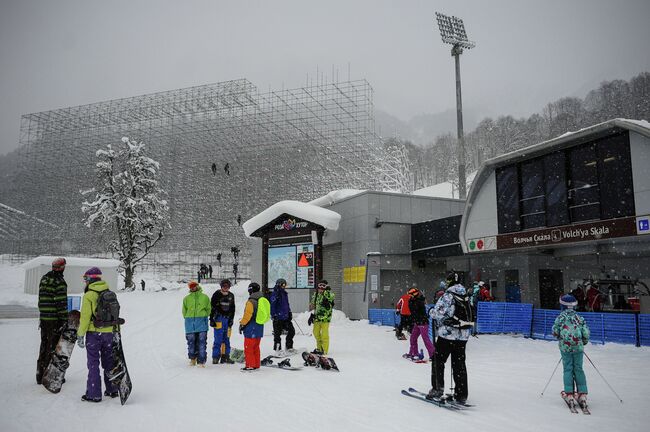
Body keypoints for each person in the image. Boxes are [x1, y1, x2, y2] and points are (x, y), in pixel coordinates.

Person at [427, 271, 474, 404]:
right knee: (459, 364)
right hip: (463, 335)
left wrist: (430, 311)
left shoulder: (447, 296)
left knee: (438, 360)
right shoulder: (465, 295)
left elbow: (438, 313)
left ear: (449, 282)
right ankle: (461, 394)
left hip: (447, 334)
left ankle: (437, 388)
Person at [76, 267, 118, 402]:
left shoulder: (89, 295)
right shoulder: (110, 293)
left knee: (93, 363)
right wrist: (116, 332)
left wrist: (80, 334)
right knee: (109, 362)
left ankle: (94, 394)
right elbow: (115, 315)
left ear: (90, 279)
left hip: (94, 333)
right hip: (109, 333)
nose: (85, 282)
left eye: (85, 279)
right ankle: (112, 389)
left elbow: (85, 317)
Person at [552, 294, 590, 408]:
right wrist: (583, 342)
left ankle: (569, 393)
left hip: (565, 348)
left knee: (568, 369)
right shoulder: (579, 318)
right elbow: (586, 333)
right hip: (578, 347)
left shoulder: (560, 318)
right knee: (578, 368)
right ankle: (582, 393)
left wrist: (560, 337)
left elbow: (555, 332)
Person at [36, 257, 68, 385]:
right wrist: (65, 319)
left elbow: (41, 298)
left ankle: (40, 373)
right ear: (62, 267)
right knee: (53, 346)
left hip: (44, 318)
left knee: (44, 345)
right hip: (54, 319)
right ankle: (50, 375)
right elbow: (61, 302)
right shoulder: (59, 281)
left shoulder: (44, 279)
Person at [182, 280, 210, 367]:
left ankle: (201, 361)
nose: (193, 287)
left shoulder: (205, 297)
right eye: (191, 286)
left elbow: (209, 309)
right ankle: (192, 359)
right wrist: (188, 318)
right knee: (191, 342)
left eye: (194, 285)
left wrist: (203, 316)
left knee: (202, 343)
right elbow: (184, 311)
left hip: (202, 324)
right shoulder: (186, 298)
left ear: (197, 286)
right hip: (190, 325)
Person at [239, 282, 264, 371]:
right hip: (259, 327)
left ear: (251, 290)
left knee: (249, 347)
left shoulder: (251, 301)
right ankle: (256, 364)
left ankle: (250, 365)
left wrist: (242, 324)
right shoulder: (262, 299)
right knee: (256, 347)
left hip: (251, 327)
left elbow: (247, 315)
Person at [210, 279, 236, 364]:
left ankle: (225, 356)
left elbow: (233, 309)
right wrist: (211, 319)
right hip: (218, 319)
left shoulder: (231, 295)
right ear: (221, 286)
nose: (226, 288)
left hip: (227, 319)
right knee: (218, 339)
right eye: (224, 286)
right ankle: (216, 357)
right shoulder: (217, 294)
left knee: (227, 339)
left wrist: (231, 320)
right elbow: (212, 307)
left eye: (227, 286)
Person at [404, 288, 434, 360]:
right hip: (417, 323)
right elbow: (412, 311)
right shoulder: (413, 301)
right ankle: (414, 353)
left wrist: (418, 299)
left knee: (425, 339)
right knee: (413, 338)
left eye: (410, 294)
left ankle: (433, 355)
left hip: (423, 323)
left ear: (414, 294)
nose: (409, 296)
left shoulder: (419, 301)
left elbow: (416, 308)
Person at [309, 280, 335, 355]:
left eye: (323, 286)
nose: (321, 288)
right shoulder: (316, 294)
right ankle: (319, 348)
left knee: (324, 335)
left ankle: (324, 350)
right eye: (319, 286)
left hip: (325, 318)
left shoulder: (329, 294)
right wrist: (312, 314)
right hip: (317, 318)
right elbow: (312, 305)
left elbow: (331, 296)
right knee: (315, 333)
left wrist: (326, 292)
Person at [270, 278, 295, 353]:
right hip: (278, 317)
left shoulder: (284, 293)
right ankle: (278, 348)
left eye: (285, 285)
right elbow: (272, 305)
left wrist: (289, 312)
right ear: (279, 284)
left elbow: (286, 305)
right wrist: (273, 315)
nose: (284, 286)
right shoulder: (275, 294)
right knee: (277, 334)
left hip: (285, 317)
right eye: (283, 285)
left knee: (291, 331)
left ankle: (289, 346)